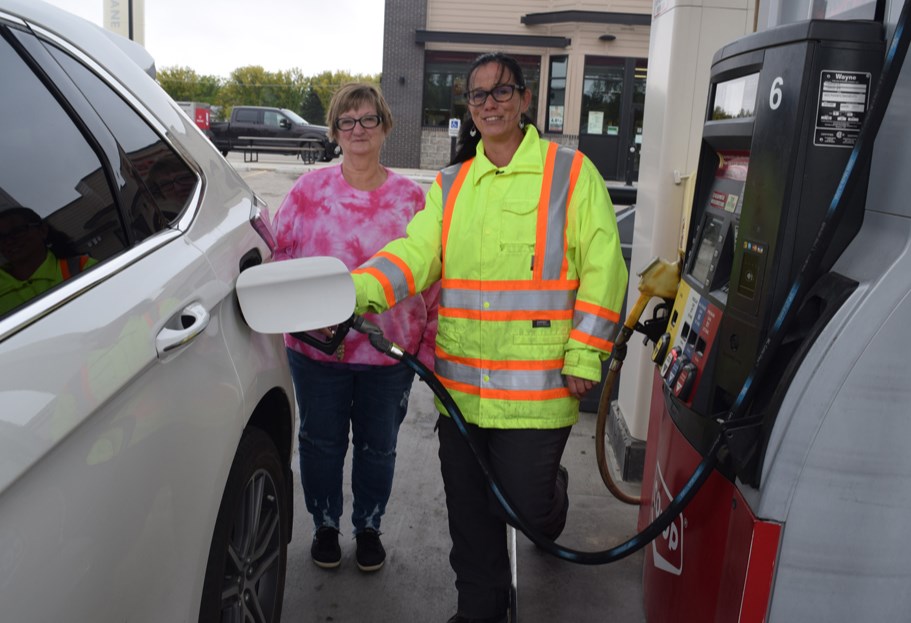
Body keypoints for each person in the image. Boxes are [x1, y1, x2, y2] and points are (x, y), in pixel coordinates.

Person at [350, 53, 628, 622]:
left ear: (526, 101)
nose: (491, 103)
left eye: (502, 92)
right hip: (462, 389)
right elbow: (416, 253)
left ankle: (553, 499)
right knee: (470, 513)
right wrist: (353, 292)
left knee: (525, 505)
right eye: (478, 96)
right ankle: (480, 608)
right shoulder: (452, 184)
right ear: (469, 110)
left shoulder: (570, 173)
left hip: (539, 391)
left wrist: (587, 353)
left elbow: (605, 267)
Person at [272, 83, 439, 573]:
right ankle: (325, 524)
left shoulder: (412, 199)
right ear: (335, 133)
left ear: (385, 126)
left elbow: (432, 280)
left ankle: (369, 526)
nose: (358, 130)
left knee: (378, 447)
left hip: (389, 354)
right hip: (316, 353)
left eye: (368, 119)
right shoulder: (308, 193)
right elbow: (282, 259)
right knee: (320, 443)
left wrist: (426, 351)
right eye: (347, 121)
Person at [0, 206, 95, 316]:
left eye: (17, 231)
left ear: (42, 230)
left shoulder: (81, 267)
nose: (8, 241)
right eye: (0, 237)